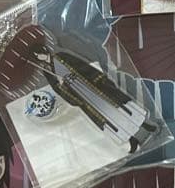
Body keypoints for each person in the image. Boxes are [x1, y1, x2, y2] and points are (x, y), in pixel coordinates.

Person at [24, 36, 157, 154]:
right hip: (79, 93)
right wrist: (60, 84)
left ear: (44, 50)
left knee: (116, 104)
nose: (40, 57)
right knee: (106, 116)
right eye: (37, 56)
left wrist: (96, 77)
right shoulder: (47, 71)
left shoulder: (61, 56)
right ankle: (131, 140)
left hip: (90, 85)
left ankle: (143, 124)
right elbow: (57, 89)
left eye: (40, 53)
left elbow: (81, 65)